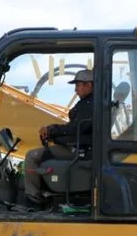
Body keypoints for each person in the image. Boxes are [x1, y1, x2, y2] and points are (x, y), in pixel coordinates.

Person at [23, 68, 96, 209]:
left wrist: (52, 130)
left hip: (79, 150)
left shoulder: (89, 105)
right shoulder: (89, 103)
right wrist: (54, 133)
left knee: (32, 156)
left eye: (78, 85)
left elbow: (75, 130)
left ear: (89, 85)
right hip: (81, 147)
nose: (76, 90)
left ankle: (33, 200)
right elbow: (75, 128)